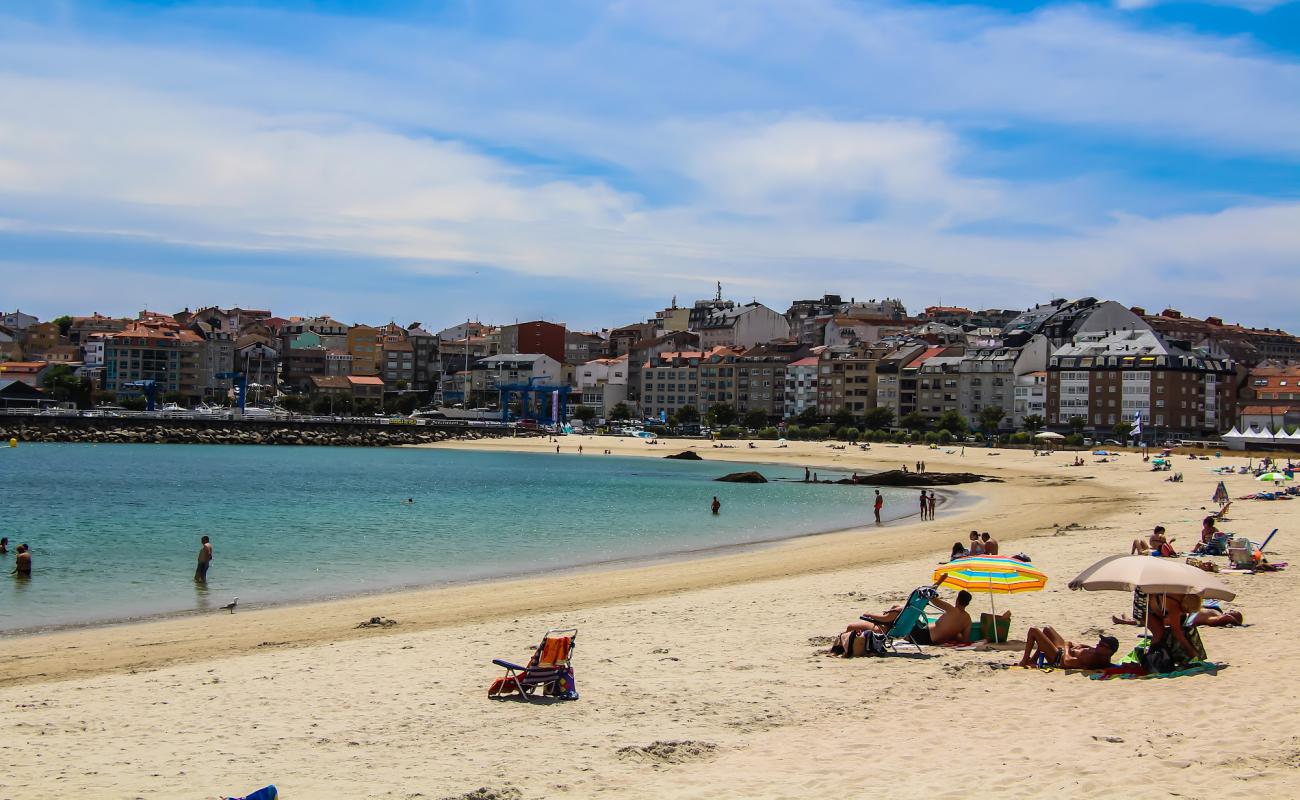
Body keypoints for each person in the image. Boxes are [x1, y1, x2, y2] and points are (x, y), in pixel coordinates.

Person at [852, 589, 973, 646]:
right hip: (930, 640)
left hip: (920, 635)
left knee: (900, 610)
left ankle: (874, 618)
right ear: (967, 603)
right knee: (897, 610)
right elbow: (964, 639)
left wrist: (932, 591)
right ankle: (883, 623)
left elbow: (934, 600)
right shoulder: (967, 619)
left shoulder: (952, 610)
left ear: (957, 599)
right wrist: (954, 632)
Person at [1018, 627, 1118, 669]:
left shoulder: (1093, 659)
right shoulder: (1101, 655)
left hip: (1058, 658)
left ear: (1109, 652)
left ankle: (1025, 660)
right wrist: (1082, 646)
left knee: (1033, 630)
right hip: (1062, 651)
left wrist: (1067, 646)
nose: (1097, 645)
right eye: (1099, 642)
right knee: (1047, 630)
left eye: (1101, 645)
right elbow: (1090, 649)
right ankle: (1033, 660)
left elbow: (1067, 661)